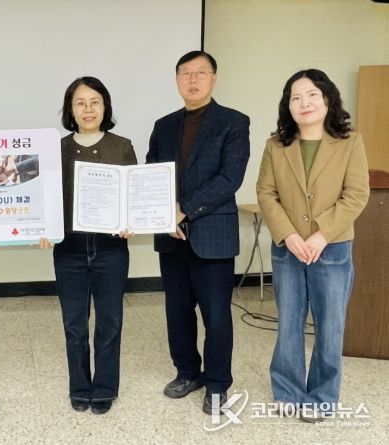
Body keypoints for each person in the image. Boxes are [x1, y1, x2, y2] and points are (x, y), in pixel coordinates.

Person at [256, 69, 369, 421]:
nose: (304, 103)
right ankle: (287, 391)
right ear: (287, 106)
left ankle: (322, 396)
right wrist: (289, 235)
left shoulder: (350, 142)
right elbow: (266, 193)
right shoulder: (276, 145)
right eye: (295, 97)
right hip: (287, 248)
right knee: (289, 322)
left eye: (312, 95)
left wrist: (322, 234)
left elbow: (356, 194)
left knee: (329, 325)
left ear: (328, 99)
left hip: (331, 248)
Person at [146, 51, 250, 414]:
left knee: (216, 315)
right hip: (170, 235)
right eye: (186, 73)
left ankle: (218, 384)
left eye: (201, 73)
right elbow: (152, 174)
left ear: (214, 78)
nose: (193, 79)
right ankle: (187, 372)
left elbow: (230, 178)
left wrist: (185, 210)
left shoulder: (234, 122)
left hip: (213, 235)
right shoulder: (164, 125)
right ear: (177, 79)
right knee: (177, 311)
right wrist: (165, 215)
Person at [45, 76, 136, 415]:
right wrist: (41, 226)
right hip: (69, 249)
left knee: (110, 322)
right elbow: (45, 198)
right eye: (80, 103)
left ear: (105, 106)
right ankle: (80, 387)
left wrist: (132, 221)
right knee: (74, 324)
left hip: (111, 249)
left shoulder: (122, 146)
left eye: (95, 101)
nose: (88, 109)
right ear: (70, 109)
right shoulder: (56, 150)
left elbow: (133, 195)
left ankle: (105, 388)